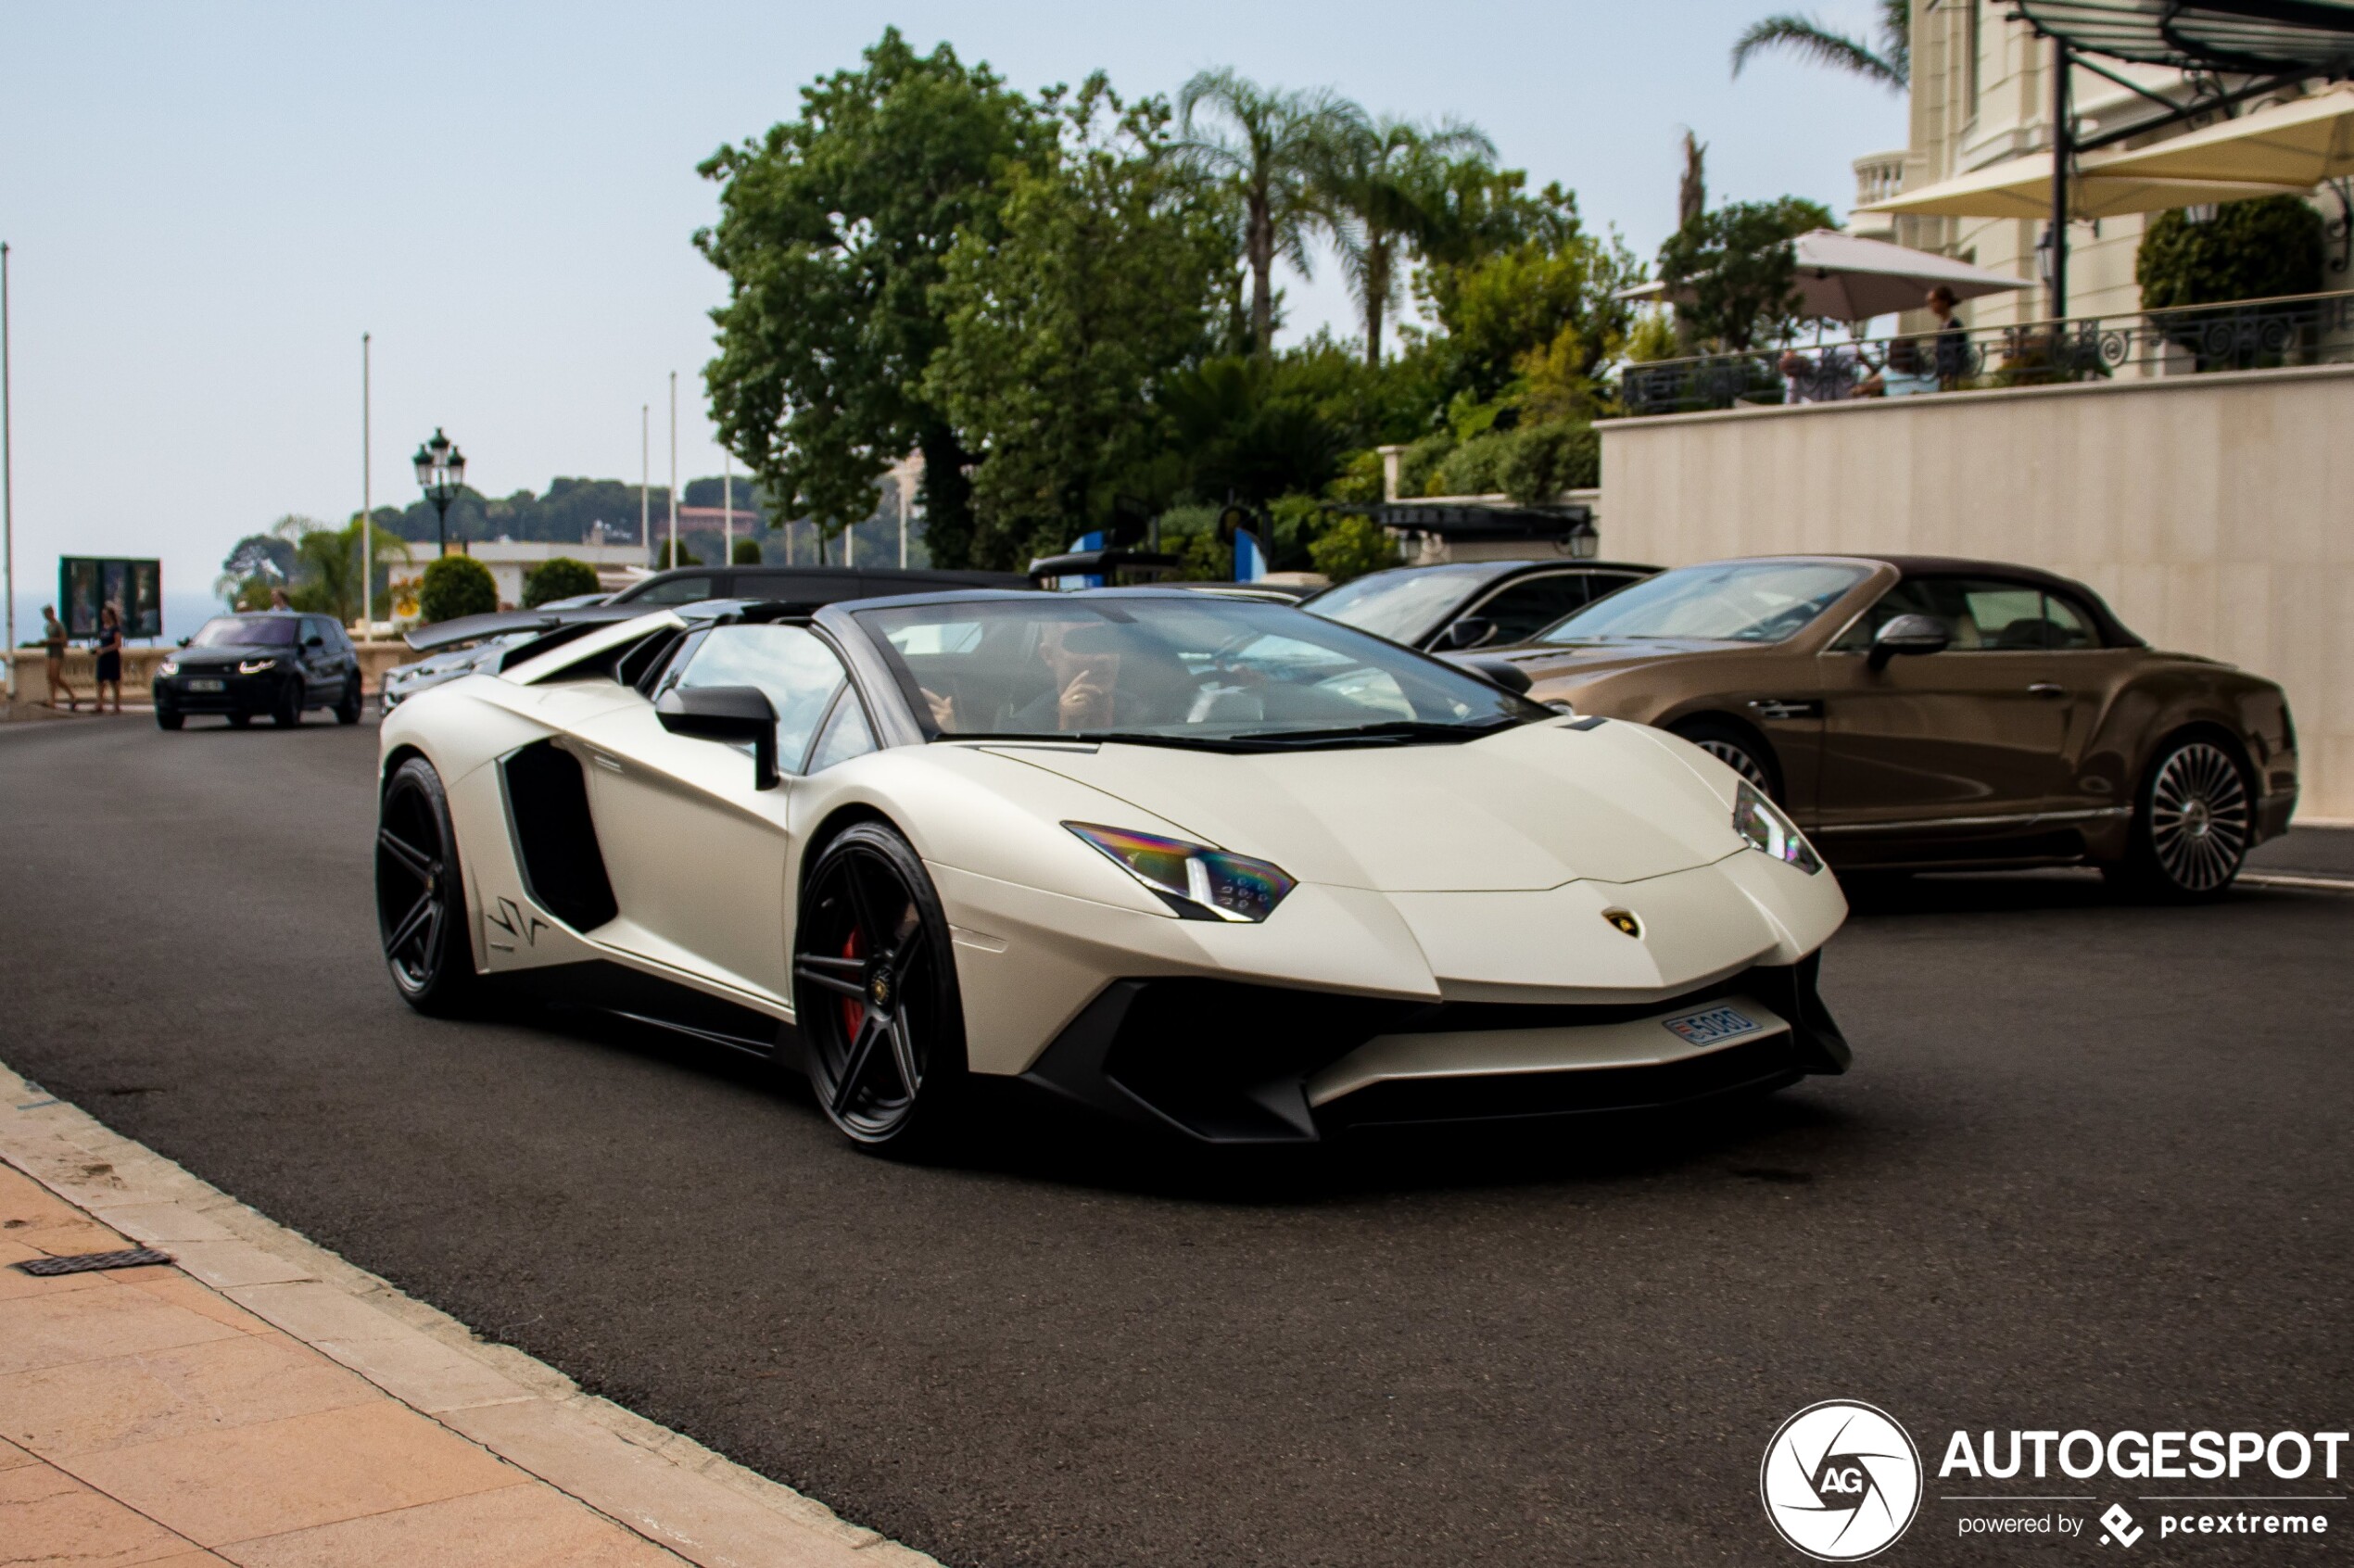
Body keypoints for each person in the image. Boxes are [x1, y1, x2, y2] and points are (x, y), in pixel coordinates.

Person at [1927, 285, 1971, 387]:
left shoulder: (1954, 325)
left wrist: (1949, 372)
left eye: (1934, 301)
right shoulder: (1943, 326)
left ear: (1945, 302)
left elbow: (1956, 350)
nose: (1931, 305)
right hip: (1943, 374)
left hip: (1954, 375)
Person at [40, 604, 78, 712]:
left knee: (56, 676)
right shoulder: (47, 626)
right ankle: (52, 699)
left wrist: (51, 641)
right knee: (50, 676)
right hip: (50, 652)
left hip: (57, 652)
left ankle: (72, 695)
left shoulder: (59, 625)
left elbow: (64, 640)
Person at [93, 603, 125, 715]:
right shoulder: (102, 628)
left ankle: (116, 705)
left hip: (112, 656)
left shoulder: (115, 628)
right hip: (103, 657)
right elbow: (101, 641)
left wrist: (105, 650)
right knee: (100, 680)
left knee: (113, 681)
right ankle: (99, 704)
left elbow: (118, 644)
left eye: (105, 615)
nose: (103, 617)